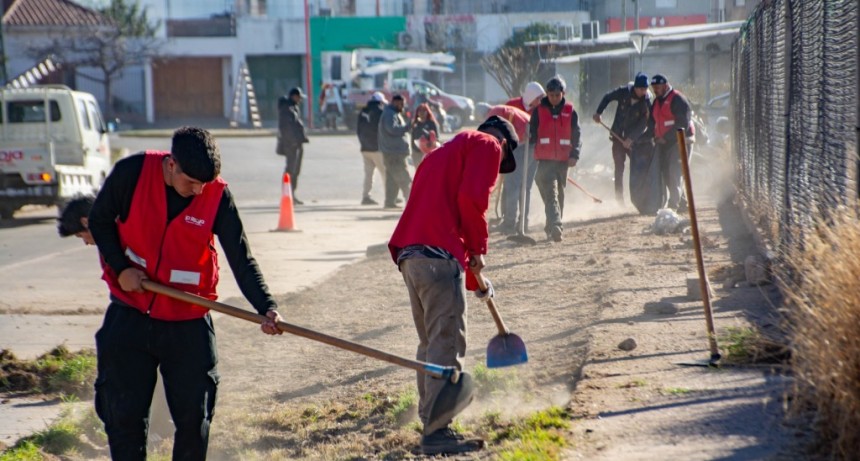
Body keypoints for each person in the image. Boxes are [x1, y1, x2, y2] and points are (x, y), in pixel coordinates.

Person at [88, 126, 284, 460]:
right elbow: (100, 220)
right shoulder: (132, 174)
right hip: (131, 315)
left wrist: (266, 306)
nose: (197, 191)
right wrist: (121, 269)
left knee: (195, 421)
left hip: (187, 322)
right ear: (171, 165)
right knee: (124, 419)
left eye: (204, 184)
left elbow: (242, 258)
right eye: (191, 182)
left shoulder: (217, 195)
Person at [388, 115, 518, 455]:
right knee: (446, 342)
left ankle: (430, 418)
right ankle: (437, 432)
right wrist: (478, 250)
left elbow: (445, 213)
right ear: (502, 144)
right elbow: (471, 202)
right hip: (437, 257)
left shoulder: (439, 155)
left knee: (430, 342)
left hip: (412, 257)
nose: (495, 174)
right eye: (500, 165)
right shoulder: (487, 145)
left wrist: (476, 279)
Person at [529, 75, 581, 242]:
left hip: (563, 161)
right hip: (544, 160)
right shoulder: (538, 111)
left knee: (559, 195)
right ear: (547, 94)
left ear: (563, 94)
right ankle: (557, 225)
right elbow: (532, 134)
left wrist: (575, 154)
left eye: (557, 95)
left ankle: (551, 226)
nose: (554, 98)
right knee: (551, 193)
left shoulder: (570, 112)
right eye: (551, 95)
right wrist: (528, 137)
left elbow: (577, 135)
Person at [592, 72, 653, 205]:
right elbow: (607, 97)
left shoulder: (647, 101)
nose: (643, 92)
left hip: (634, 142)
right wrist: (598, 112)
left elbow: (644, 122)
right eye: (641, 89)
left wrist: (631, 139)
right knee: (619, 169)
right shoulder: (623, 92)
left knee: (637, 168)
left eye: (645, 89)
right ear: (635, 88)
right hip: (617, 136)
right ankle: (620, 200)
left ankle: (640, 198)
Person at [483, 104, 533, 234]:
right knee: (525, 187)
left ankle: (510, 224)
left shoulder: (493, 113)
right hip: (533, 141)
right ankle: (523, 223)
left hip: (524, 143)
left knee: (513, 185)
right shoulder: (501, 109)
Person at [650, 74, 695, 212]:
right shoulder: (657, 101)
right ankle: (682, 203)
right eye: (653, 88)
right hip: (665, 142)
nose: (655, 90)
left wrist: (667, 137)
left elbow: (683, 124)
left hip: (681, 141)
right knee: (666, 172)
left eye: (657, 87)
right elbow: (653, 122)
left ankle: (672, 205)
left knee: (674, 172)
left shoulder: (678, 99)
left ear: (665, 86)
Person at [378, 94, 412, 209]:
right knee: (404, 178)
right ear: (395, 102)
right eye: (402, 104)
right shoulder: (390, 114)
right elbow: (391, 129)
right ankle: (411, 202)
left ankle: (389, 201)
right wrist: (407, 127)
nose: (403, 106)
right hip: (394, 153)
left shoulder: (392, 113)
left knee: (392, 179)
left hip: (392, 151)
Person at [277, 87, 309, 205]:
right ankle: (287, 195)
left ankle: (291, 195)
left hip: (295, 144)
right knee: (291, 170)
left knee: (295, 170)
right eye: (299, 97)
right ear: (294, 96)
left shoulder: (292, 107)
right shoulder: (287, 108)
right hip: (291, 145)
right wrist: (293, 142)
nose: (300, 100)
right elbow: (285, 128)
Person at [356, 91, 388, 205]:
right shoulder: (380, 112)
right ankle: (389, 196)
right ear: (380, 102)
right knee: (385, 173)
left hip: (365, 148)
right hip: (377, 148)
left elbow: (358, 130)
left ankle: (366, 196)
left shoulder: (363, 112)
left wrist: (363, 143)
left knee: (368, 174)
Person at [410, 102, 440, 169]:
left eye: (424, 111)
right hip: (417, 153)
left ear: (427, 112)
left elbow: (437, 138)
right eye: (420, 111)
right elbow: (413, 139)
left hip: (430, 153)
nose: (422, 113)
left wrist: (430, 143)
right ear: (417, 113)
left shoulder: (432, 124)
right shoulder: (415, 124)